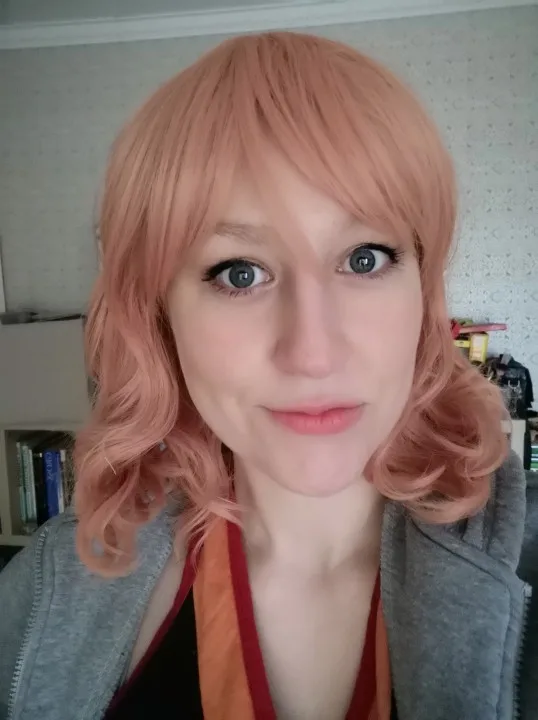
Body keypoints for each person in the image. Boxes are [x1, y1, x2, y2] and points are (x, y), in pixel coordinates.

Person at [0, 31, 536, 720]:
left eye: (365, 258)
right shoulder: (47, 591)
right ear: (161, 316)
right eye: (239, 273)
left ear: (423, 294)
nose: (313, 353)